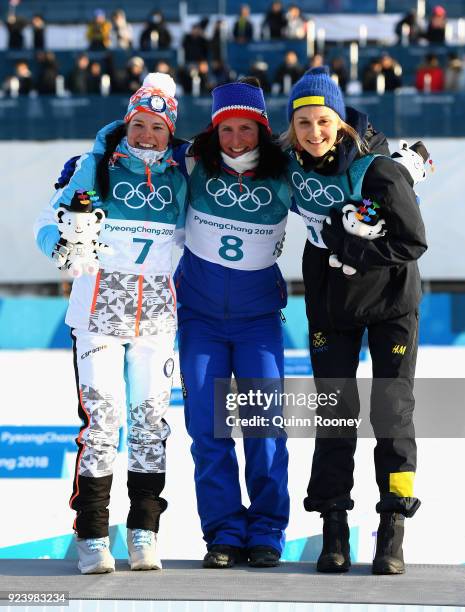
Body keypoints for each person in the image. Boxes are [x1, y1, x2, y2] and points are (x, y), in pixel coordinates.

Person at [34, 73, 187, 574]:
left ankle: (144, 531)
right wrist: (56, 245)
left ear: (170, 132)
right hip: (98, 317)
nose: (146, 135)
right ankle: (93, 536)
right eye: (138, 124)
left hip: (158, 321)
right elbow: (47, 222)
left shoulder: (186, 174)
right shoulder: (90, 166)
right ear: (125, 124)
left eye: (157, 128)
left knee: (150, 426)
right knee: (102, 426)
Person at [284, 67, 427, 574]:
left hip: (391, 306)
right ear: (293, 127)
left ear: (340, 122)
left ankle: (393, 528)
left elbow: (412, 241)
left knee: (392, 418)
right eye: (303, 123)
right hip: (330, 309)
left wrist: (349, 247)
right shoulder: (289, 164)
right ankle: (333, 527)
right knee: (335, 420)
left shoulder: (378, 170)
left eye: (323, 121)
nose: (313, 132)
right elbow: (229, 154)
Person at [173, 78, 292, 568]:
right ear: (214, 129)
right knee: (208, 430)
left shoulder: (285, 174)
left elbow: (336, 171)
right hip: (199, 320)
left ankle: (266, 529)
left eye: (247, 128)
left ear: (262, 130)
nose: (237, 139)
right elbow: (140, 138)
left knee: (264, 429)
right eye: (228, 129)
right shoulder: (192, 165)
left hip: (257, 322)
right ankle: (222, 531)